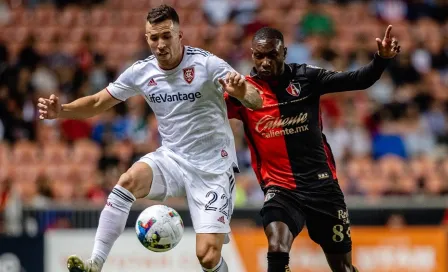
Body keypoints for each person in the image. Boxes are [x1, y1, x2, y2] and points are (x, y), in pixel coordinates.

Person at [37, 5, 262, 272]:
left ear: (180, 36)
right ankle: (95, 263)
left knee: (208, 256)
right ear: (147, 39)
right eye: (153, 38)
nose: (160, 44)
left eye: (166, 36)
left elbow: (255, 100)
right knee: (127, 181)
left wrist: (241, 93)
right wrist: (61, 111)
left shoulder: (206, 64)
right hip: (172, 159)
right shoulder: (141, 72)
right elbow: (98, 102)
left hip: (212, 168)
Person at [225, 26, 400, 272]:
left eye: (271, 55)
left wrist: (381, 59)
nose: (264, 62)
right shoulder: (242, 91)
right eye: (258, 56)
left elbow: (359, 79)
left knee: (342, 267)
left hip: (322, 187)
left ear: (284, 52)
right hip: (280, 188)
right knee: (277, 247)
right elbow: (207, 116)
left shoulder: (306, 78)